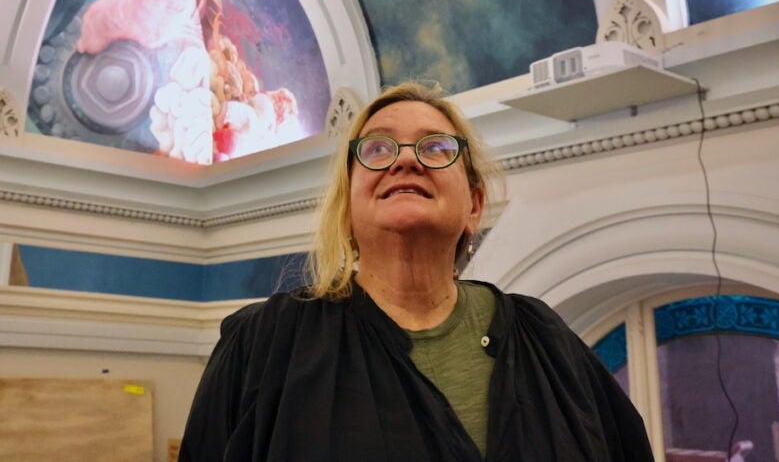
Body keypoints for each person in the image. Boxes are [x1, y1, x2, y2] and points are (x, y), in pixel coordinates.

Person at [179, 82, 654, 461]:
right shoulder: (264, 344)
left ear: (474, 205)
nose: (406, 159)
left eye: (435, 147)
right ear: (347, 206)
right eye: (379, 149)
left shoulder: (547, 340)